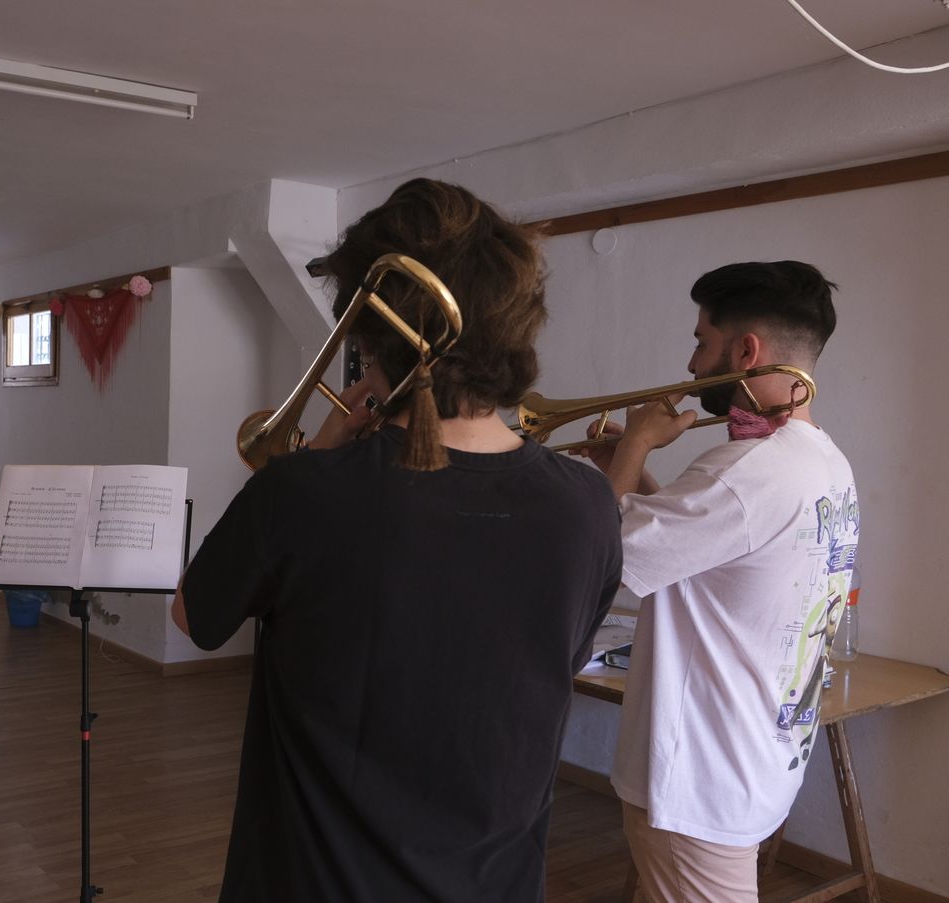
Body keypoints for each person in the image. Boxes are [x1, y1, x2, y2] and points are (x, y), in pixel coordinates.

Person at [171, 178, 623, 902]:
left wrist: (312, 459)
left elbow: (196, 616)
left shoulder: (303, 491)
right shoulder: (591, 505)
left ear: (369, 330)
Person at [580, 261, 858, 903]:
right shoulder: (825, 460)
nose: (692, 363)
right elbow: (706, 550)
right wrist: (631, 472)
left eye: (702, 340)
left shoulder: (745, 470)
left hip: (698, 777)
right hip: (754, 761)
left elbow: (602, 557)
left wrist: (633, 451)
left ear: (745, 350)